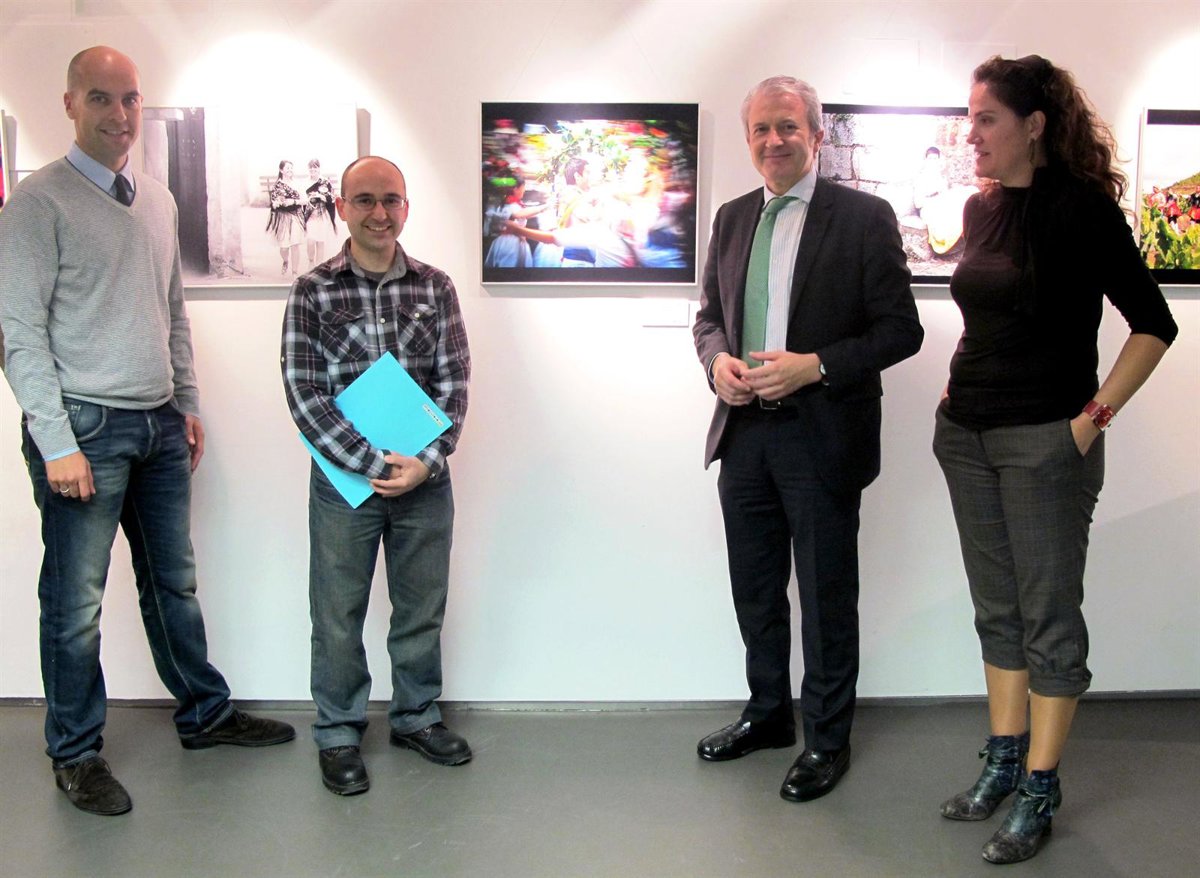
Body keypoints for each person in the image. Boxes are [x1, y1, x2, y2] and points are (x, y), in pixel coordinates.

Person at [0, 46, 295, 818]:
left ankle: (204, 714)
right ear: (69, 103)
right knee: (75, 603)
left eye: (129, 98)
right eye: (100, 98)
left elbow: (171, 312)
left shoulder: (157, 200)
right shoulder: (37, 203)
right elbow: (18, 333)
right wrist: (57, 443)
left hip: (158, 423)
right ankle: (74, 752)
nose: (119, 113)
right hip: (85, 429)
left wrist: (186, 403)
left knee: (173, 583)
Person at [933, 55, 1177, 865]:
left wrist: (1090, 421)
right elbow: (988, 315)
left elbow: (1154, 323)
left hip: (1045, 444)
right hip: (966, 437)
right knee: (996, 610)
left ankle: (1041, 785)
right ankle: (1004, 760)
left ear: (1034, 124)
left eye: (987, 119)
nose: (972, 134)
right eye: (970, 118)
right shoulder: (980, 208)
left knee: (1049, 619)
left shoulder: (1082, 210)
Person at [691, 76, 923, 803]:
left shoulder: (863, 217)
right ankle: (768, 714)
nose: (774, 140)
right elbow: (708, 318)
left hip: (822, 436)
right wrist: (716, 364)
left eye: (788, 126)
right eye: (761, 128)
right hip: (744, 436)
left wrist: (814, 365)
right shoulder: (732, 218)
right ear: (748, 139)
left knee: (826, 595)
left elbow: (902, 330)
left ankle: (827, 738)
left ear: (817, 135)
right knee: (755, 589)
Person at [281, 156, 472, 796]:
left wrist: (426, 462)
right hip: (345, 485)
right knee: (338, 611)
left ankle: (416, 717)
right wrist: (371, 462)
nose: (379, 213)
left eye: (391, 199)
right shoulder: (312, 290)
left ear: (406, 208)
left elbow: (454, 383)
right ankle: (338, 731)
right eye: (364, 200)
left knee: (420, 606)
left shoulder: (435, 288)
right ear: (342, 207)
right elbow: (304, 393)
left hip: (425, 481)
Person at [267, 159, 304, 276]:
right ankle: (285, 260)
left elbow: (305, 200)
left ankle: (295, 272)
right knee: (284, 247)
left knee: (295, 244)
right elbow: (273, 202)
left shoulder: (297, 184)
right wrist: (276, 203)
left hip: (296, 215)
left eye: (291, 168)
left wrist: (293, 201)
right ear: (281, 170)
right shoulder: (277, 186)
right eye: (287, 168)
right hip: (282, 217)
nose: (290, 170)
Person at [303, 158, 338, 268]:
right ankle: (311, 261)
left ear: (319, 168)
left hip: (322, 215)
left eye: (315, 167)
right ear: (308, 169)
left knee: (320, 241)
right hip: (310, 215)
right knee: (310, 241)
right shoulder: (305, 182)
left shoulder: (325, 182)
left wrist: (322, 197)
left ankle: (318, 266)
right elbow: (301, 198)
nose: (313, 169)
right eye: (311, 167)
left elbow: (332, 198)